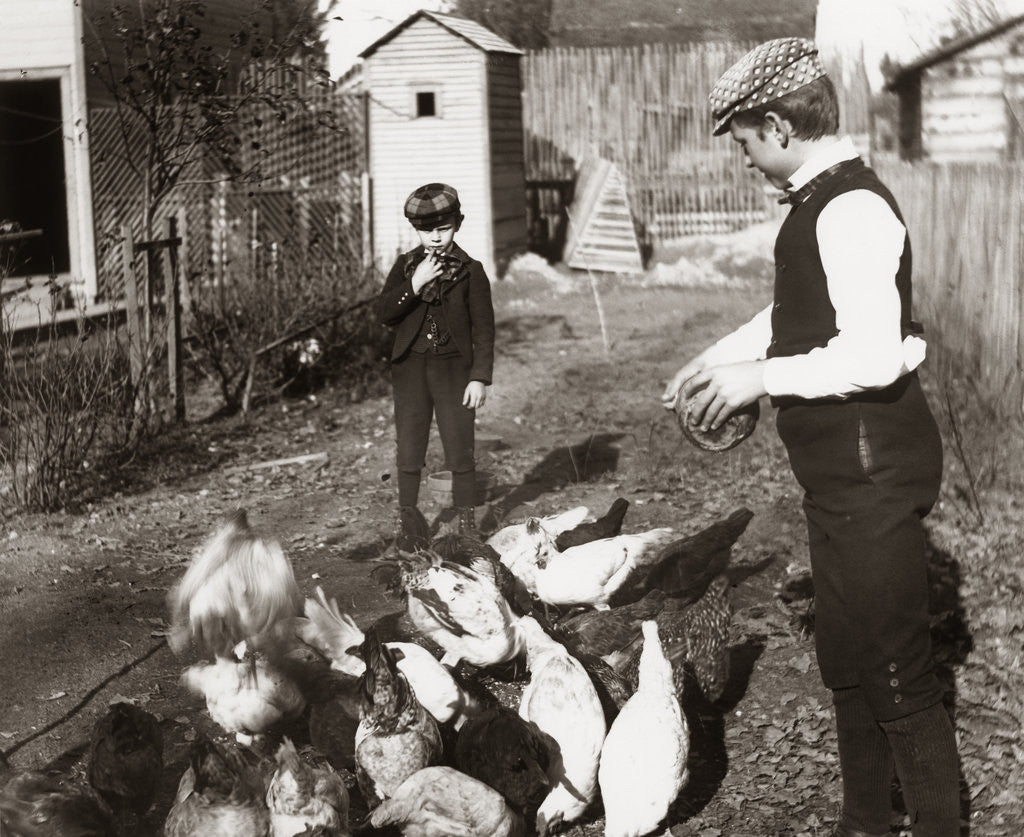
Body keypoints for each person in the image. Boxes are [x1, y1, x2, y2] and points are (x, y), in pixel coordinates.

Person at [661, 39, 960, 837]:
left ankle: (940, 824)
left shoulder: (853, 207)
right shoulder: (819, 202)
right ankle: (864, 819)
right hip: (839, 479)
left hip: (875, 471)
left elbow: (867, 353)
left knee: (896, 666)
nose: (748, 161)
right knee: (849, 659)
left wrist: (760, 379)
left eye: (748, 143)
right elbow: (798, 318)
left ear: (778, 126)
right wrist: (716, 358)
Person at [377, 183, 495, 541]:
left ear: (457, 224)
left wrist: (479, 378)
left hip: (454, 371)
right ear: (416, 231)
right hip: (410, 369)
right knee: (409, 446)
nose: (435, 238)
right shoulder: (406, 266)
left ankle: (467, 525)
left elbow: (484, 330)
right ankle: (407, 523)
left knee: (460, 446)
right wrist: (415, 284)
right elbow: (385, 314)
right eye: (427, 231)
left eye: (443, 229)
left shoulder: (471, 271)